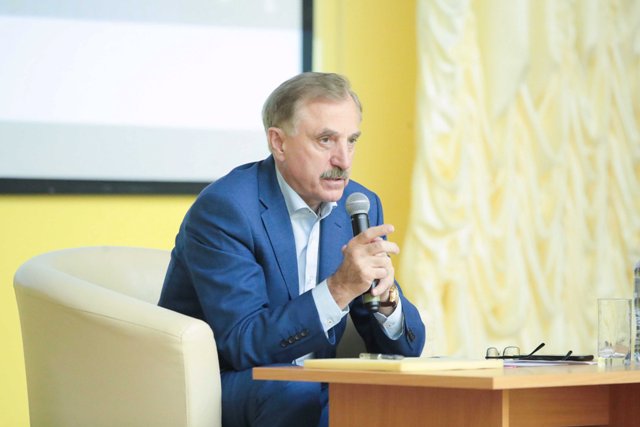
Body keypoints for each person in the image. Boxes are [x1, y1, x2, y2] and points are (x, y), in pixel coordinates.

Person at [158, 72, 426, 427]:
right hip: (226, 382)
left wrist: (387, 299)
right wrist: (340, 289)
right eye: (326, 140)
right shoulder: (227, 209)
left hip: (313, 382)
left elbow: (404, 350)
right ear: (278, 142)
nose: (343, 160)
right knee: (299, 390)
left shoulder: (359, 204)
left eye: (351, 141)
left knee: (412, 393)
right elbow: (243, 343)